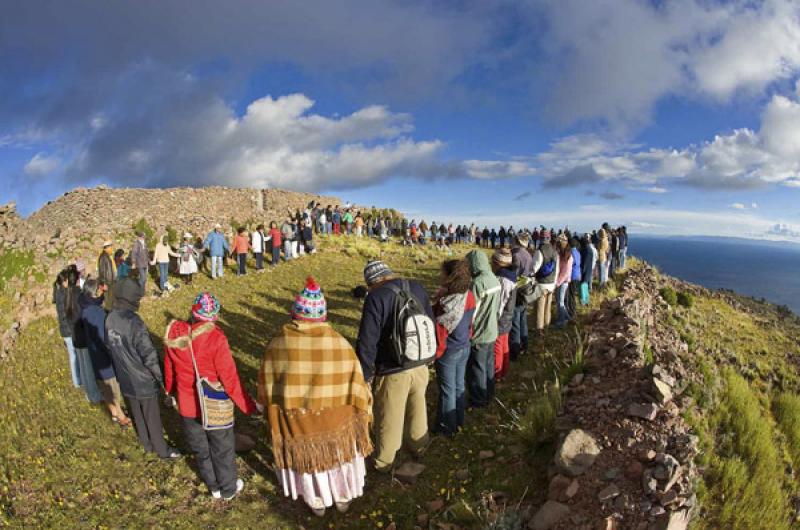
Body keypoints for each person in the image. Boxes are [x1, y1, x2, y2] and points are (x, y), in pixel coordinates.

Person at [260, 278, 372, 516]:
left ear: (296, 313)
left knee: (309, 460)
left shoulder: (279, 343)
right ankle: (343, 496)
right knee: (339, 457)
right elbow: (357, 384)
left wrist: (265, 406)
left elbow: (267, 385)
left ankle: (317, 500)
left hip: (297, 420)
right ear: (323, 315)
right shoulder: (339, 343)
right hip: (336, 418)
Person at [164, 292, 259, 500]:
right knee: (222, 448)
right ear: (214, 317)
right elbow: (230, 378)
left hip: (187, 405)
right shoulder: (216, 338)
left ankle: (213, 485)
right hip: (213, 403)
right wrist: (249, 406)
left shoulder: (174, 334)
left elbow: (169, 369)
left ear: (193, 312)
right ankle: (228, 488)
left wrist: (169, 391)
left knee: (201, 449)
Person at [356, 260, 433, 471]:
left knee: (389, 416)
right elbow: (430, 321)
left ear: (372, 282)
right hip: (420, 362)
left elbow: (367, 341)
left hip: (393, 369)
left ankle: (384, 461)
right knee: (418, 406)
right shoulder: (416, 287)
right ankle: (420, 446)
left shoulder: (376, 297)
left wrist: (365, 375)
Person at [105, 278, 181, 460]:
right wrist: (162, 379)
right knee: (151, 415)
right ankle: (162, 449)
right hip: (142, 379)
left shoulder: (110, 318)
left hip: (124, 376)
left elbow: (110, 346)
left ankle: (146, 444)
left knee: (136, 411)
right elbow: (148, 354)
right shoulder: (134, 322)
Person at [79, 279, 132, 427]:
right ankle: (122, 418)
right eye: (100, 290)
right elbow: (105, 338)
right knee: (112, 388)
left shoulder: (85, 307)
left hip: (95, 355)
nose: (103, 291)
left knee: (105, 387)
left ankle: (114, 414)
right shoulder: (96, 313)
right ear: (94, 293)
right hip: (104, 357)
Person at [432, 259, 476, 436]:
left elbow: (440, 331)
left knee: (447, 390)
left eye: (443, 273)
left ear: (450, 276)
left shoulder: (448, 303)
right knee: (458, 386)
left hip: (449, 350)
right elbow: (470, 322)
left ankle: (446, 428)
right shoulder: (468, 295)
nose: (440, 275)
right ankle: (458, 420)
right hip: (464, 345)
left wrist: (436, 354)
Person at [465, 250, 502, 408]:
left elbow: (472, 310)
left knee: (477, 368)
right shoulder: (494, 278)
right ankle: (489, 393)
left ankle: (479, 400)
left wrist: (468, 330)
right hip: (492, 329)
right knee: (488, 364)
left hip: (479, 331)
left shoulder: (478, 283)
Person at [70, 269, 104, 404]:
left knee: (83, 366)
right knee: (88, 367)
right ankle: (94, 396)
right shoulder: (80, 298)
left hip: (75, 335)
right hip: (83, 337)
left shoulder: (73, 295)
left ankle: (88, 393)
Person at [491, 248, 517, 379]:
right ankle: (504, 371)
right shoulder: (511, 275)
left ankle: (497, 373)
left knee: (497, 347)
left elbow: (500, 302)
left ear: (498, 263)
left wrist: (494, 319)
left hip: (501, 318)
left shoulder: (503, 279)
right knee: (504, 344)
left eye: (493, 262)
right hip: (508, 316)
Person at [54, 270, 81, 388]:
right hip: (69, 329)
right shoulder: (64, 294)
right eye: (67, 279)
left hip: (64, 329)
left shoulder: (58, 292)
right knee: (74, 355)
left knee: (72, 354)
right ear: (64, 281)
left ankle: (77, 381)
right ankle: (78, 381)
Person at [510, 234, 533, 360]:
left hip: (517, 291)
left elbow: (513, 274)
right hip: (526, 290)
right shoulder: (528, 254)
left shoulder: (516, 255)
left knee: (515, 321)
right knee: (523, 319)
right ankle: (525, 345)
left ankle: (515, 350)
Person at [532, 230, 558, 335]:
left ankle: (539, 330)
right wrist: (555, 283)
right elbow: (557, 269)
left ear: (540, 238)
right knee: (548, 307)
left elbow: (534, 268)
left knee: (539, 308)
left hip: (541, 283)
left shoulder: (539, 251)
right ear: (549, 238)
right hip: (551, 283)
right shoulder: (554, 251)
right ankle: (547, 326)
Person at [553, 235, 574, 328]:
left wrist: (557, 283)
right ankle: (568, 318)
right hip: (561, 281)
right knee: (559, 301)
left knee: (560, 302)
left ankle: (562, 322)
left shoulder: (568, 256)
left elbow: (565, 272)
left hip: (563, 282)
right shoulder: (562, 254)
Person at [566, 237, 582, 320]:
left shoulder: (571, 252)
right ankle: (573, 310)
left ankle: (572, 313)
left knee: (571, 295)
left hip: (572, 275)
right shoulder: (577, 252)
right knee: (573, 294)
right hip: (577, 274)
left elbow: (571, 264)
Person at [581, 234, 597, 298]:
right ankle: (585, 299)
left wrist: (582, 270)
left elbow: (585, 262)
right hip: (589, 269)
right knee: (586, 284)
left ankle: (585, 300)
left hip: (586, 270)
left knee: (584, 284)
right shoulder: (590, 249)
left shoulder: (586, 250)